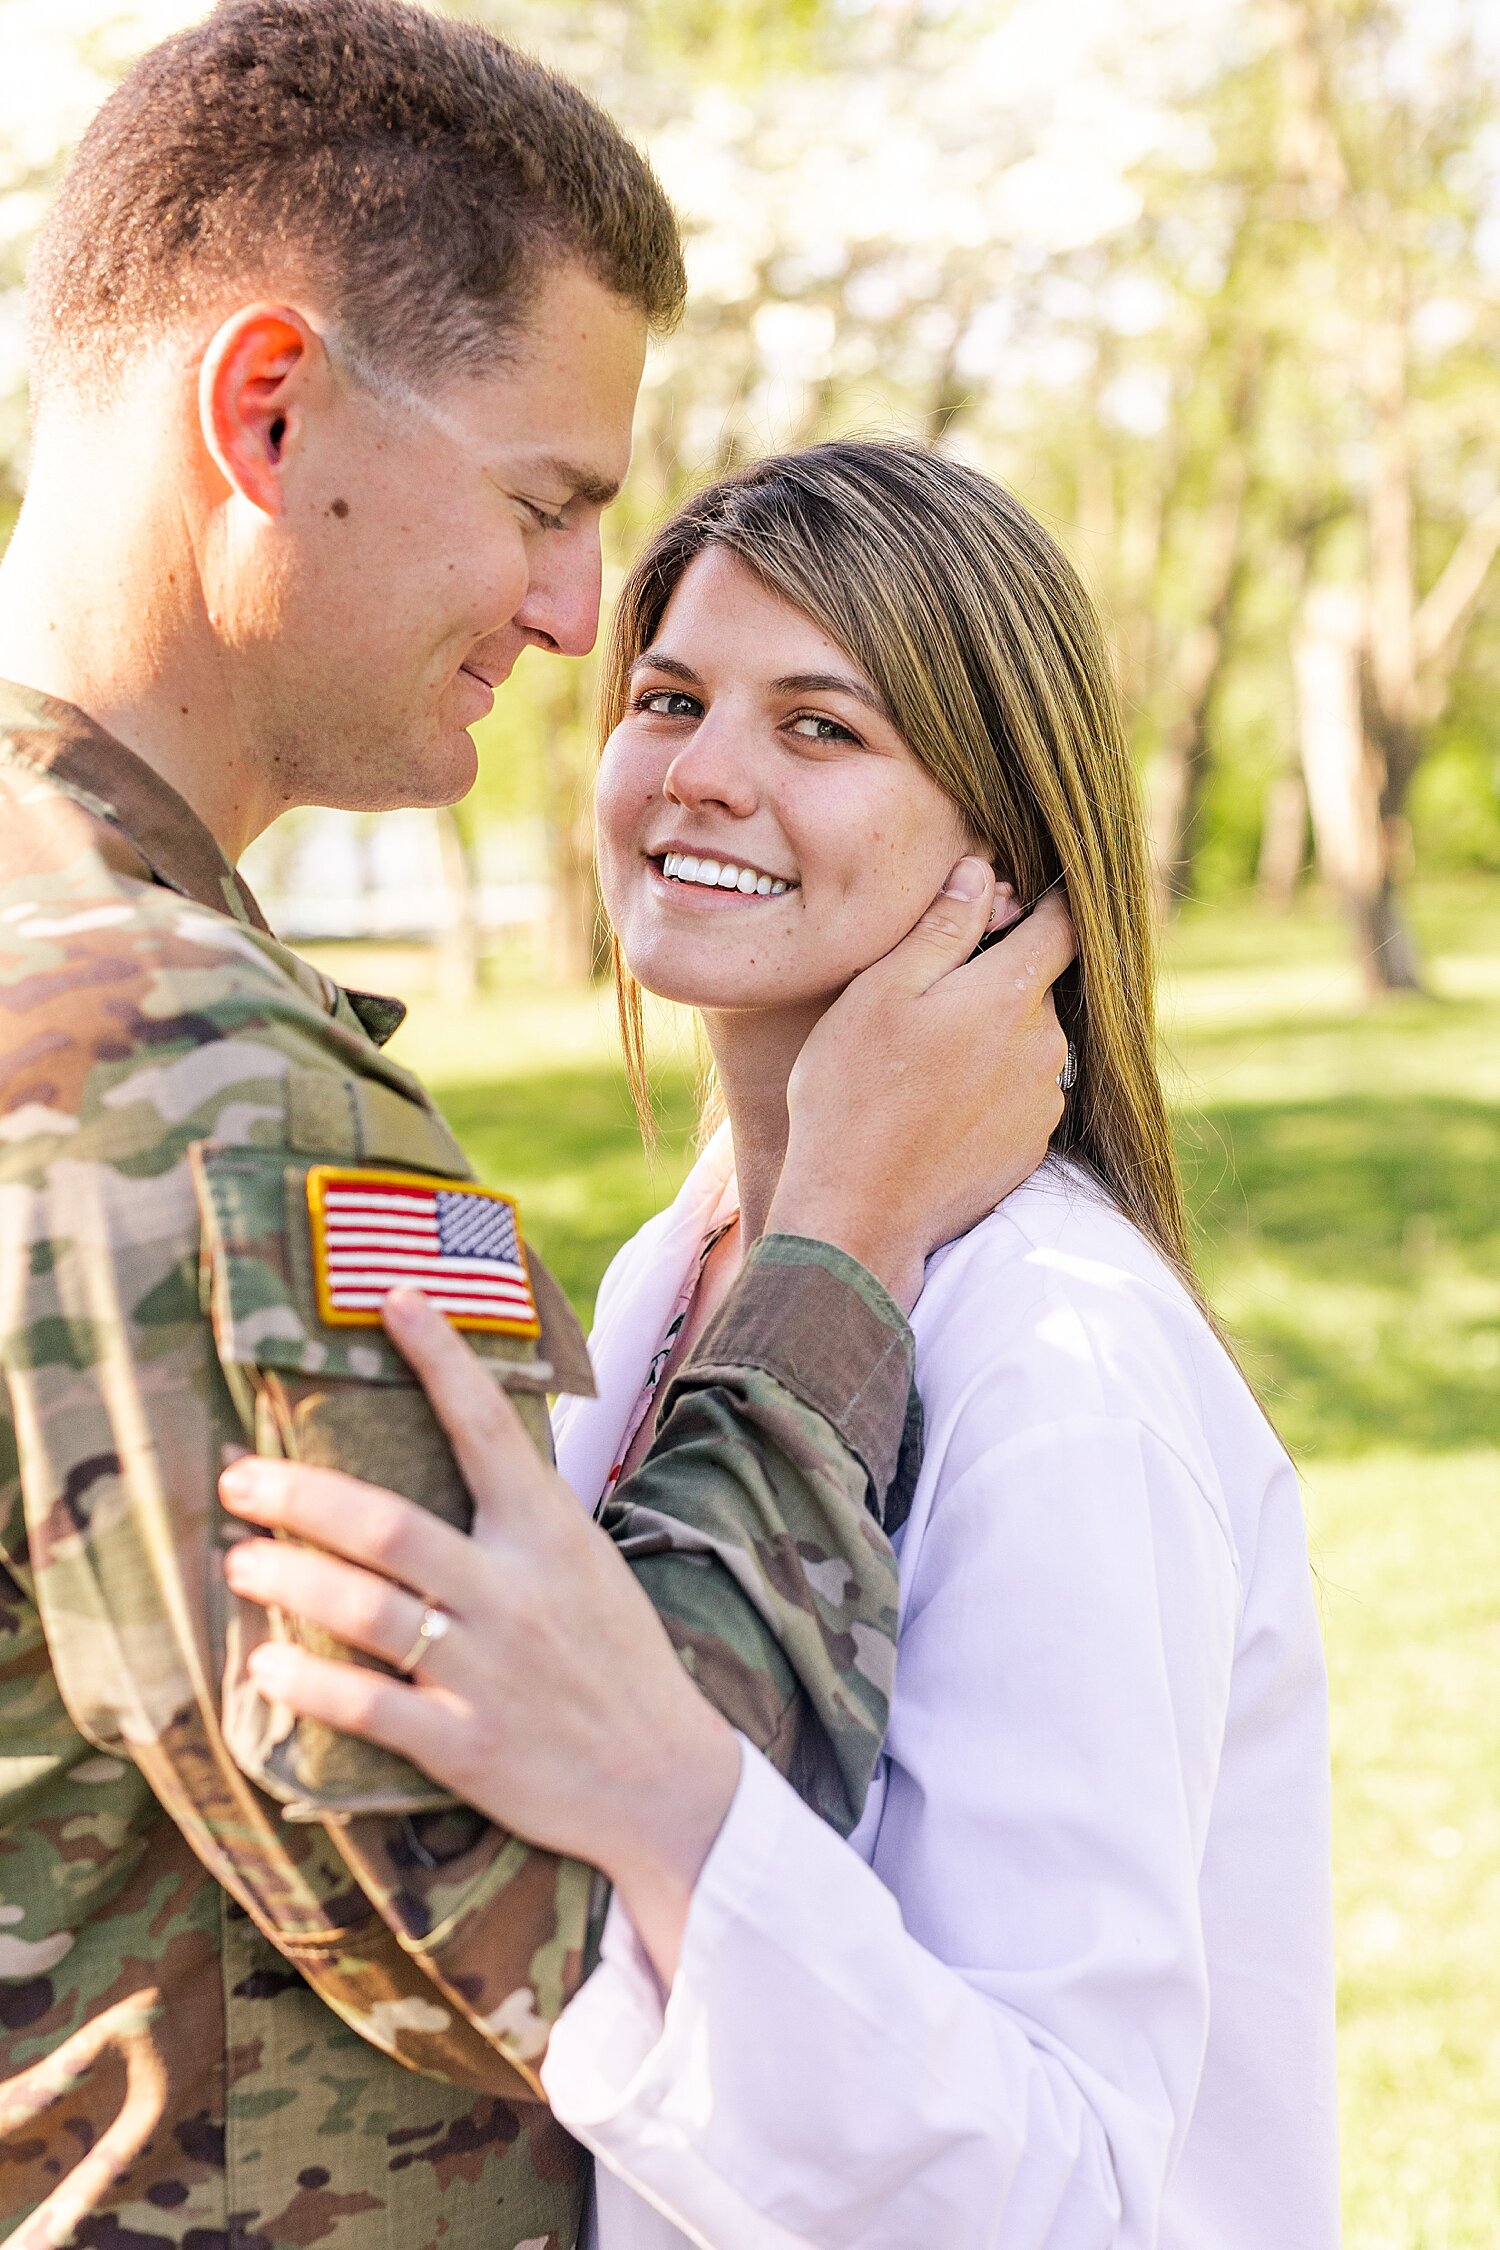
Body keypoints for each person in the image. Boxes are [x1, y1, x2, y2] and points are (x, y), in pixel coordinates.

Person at [0, 11, 1074, 2250]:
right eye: (546, 503)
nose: (579, 613)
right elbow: (569, 1919)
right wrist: (845, 1249)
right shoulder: (170, 1068)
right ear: (268, 409)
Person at [226, 442, 1341, 2250]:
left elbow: (1057, 2181)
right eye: (667, 698)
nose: (702, 776)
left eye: (822, 728)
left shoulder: (1062, 1365)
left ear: (1007, 854)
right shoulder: (688, 1265)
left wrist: (663, 1797)